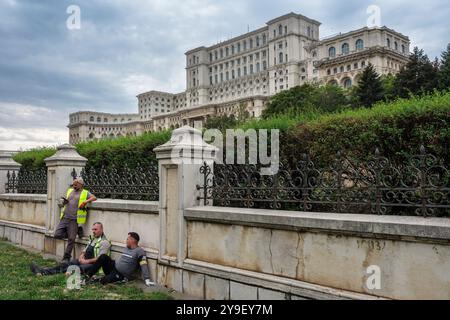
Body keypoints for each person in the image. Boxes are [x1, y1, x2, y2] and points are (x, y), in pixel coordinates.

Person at [30, 222, 111, 276]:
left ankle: (44, 272)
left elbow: (100, 259)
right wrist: (81, 256)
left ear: (101, 229)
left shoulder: (104, 242)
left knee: (74, 268)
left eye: (96, 229)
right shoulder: (93, 238)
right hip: (84, 261)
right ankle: (43, 271)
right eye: (93, 229)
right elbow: (85, 250)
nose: (93, 231)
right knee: (67, 264)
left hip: (94, 266)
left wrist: (86, 261)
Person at [83, 232, 154, 287]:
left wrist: (147, 279)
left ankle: (96, 280)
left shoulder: (139, 251)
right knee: (103, 257)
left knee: (104, 281)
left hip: (121, 274)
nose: (126, 240)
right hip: (113, 267)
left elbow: (143, 264)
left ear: (133, 240)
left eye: (127, 239)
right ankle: (88, 275)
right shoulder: (127, 248)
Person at [55, 178, 97, 263]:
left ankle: (66, 257)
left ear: (81, 184)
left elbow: (94, 198)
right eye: (73, 184)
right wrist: (65, 202)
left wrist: (86, 201)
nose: (74, 186)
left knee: (71, 239)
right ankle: (76, 231)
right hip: (65, 217)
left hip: (74, 219)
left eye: (75, 184)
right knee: (57, 234)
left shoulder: (85, 192)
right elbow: (64, 203)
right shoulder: (70, 191)